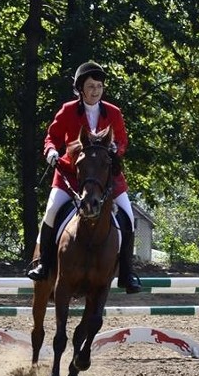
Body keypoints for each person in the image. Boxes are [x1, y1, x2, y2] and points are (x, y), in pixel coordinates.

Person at [26, 61, 142, 294]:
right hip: (70, 176)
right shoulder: (68, 110)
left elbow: (122, 141)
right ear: (81, 89)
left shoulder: (114, 113)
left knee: (128, 218)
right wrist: (51, 152)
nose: (96, 91)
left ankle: (127, 274)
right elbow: (51, 137)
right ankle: (44, 265)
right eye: (91, 86)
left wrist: (114, 151)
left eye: (99, 86)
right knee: (50, 212)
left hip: (105, 179)